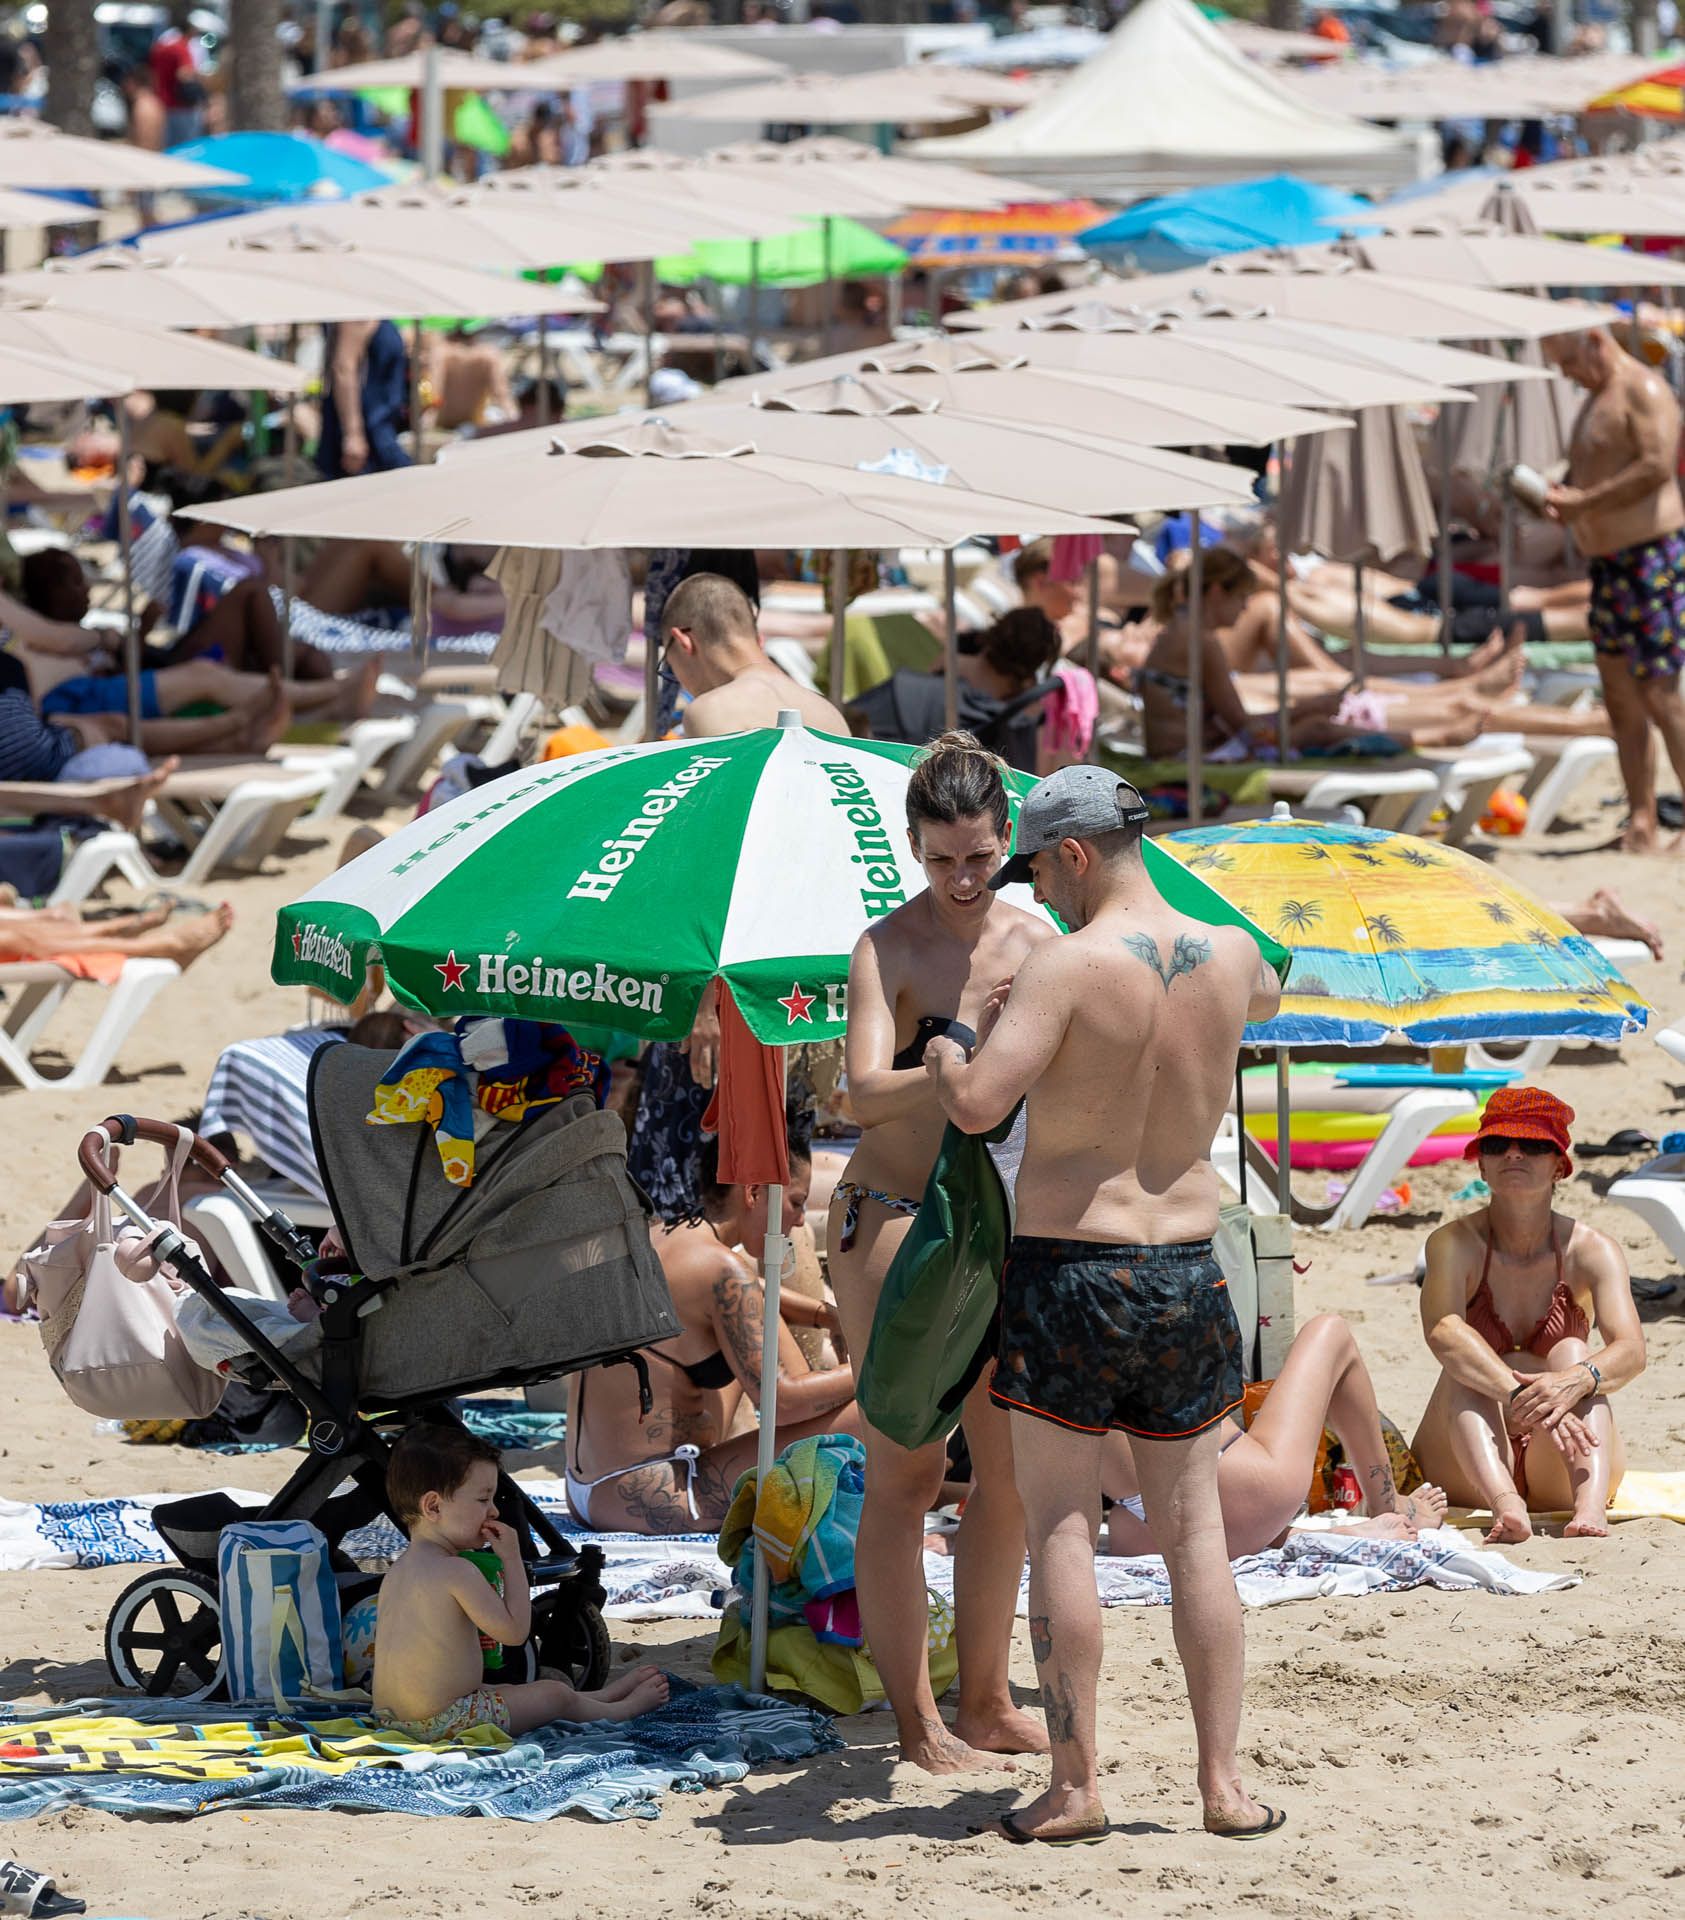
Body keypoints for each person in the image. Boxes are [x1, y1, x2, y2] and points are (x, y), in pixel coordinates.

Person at [925, 763, 1283, 1843]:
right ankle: (1222, 1787)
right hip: (1187, 1264)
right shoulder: (1231, 961)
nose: (1033, 890)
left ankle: (1076, 1789)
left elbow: (982, 1108)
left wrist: (954, 1041)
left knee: (1063, 1535)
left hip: (1071, 1270)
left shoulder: (1066, 967)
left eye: (1037, 866)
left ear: (1074, 854)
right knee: (1194, 1537)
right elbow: (1267, 988)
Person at [830, 735, 1055, 1775]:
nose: (962, 881)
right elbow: (859, 1094)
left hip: (997, 1215)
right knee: (904, 1473)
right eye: (939, 861)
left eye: (977, 857)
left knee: (1003, 1471)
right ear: (911, 851)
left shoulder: (1039, 933)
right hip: (889, 1212)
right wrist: (959, 1049)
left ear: (1005, 837)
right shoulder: (887, 948)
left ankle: (980, 1697)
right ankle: (914, 1721)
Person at [565, 1129, 859, 1532]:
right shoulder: (723, 1270)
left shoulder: (656, 1237)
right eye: (795, 1203)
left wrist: (825, 1316)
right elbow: (784, 1401)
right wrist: (874, 1365)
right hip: (657, 1495)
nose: (799, 1220)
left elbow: (750, 1295)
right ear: (754, 1192)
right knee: (867, 1412)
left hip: (590, 1489)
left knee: (758, 1316)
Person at [1412, 1087, 1645, 1543]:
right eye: (1498, 1145)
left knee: (1575, 1353)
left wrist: (1574, 1381)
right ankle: (1506, 1502)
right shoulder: (1453, 1243)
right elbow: (1441, 1332)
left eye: (1533, 1145)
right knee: (1465, 1357)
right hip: (1469, 1459)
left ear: (1560, 1165)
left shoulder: (1592, 1249)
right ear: (1481, 1164)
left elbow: (1632, 1350)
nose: (1513, 1153)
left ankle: (1590, 1506)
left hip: (1561, 1454)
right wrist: (1519, 1398)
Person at [372, 1424, 668, 1738]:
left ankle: (594, 1698)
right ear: (433, 1506)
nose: (495, 1510)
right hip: (443, 1722)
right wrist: (512, 1560)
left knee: (508, 1690)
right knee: (552, 1695)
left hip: (392, 1718)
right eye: (483, 1499)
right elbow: (513, 1633)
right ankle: (619, 1710)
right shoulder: (456, 1571)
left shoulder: (398, 1570)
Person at [1103, 1315, 1448, 1558]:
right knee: (1330, 1332)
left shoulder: (1059, 1319)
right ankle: (1386, 1503)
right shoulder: (1144, 1268)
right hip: (1241, 1497)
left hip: (1139, 1531)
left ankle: (1315, 1536)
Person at [1543, 327, 1685, 850]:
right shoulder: (1596, 401)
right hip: (1605, 563)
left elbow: (1656, 466)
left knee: (1662, 694)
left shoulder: (1642, 389)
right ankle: (1642, 818)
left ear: (1594, 342)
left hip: (1649, 556)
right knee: (1620, 695)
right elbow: (1595, 467)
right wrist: (1558, 493)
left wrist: (1586, 503)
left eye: (1567, 361)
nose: (1565, 374)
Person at [660, 572, 848, 738]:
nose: (677, 678)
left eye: (669, 665)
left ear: (683, 642)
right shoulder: (829, 712)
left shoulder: (712, 710)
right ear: (759, 639)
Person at [319, 320, 412, 480]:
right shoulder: (360, 315)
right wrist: (353, 434)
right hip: (370, 430)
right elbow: (344, 368)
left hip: (381, 426)